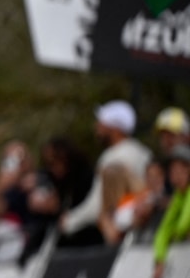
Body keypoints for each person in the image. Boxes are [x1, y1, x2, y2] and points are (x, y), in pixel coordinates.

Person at [60, 100, 152, 245]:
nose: (96, 127)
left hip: (120, 231)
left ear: (114, 127)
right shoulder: (143, 152)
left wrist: (70, 221)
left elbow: (98, 202)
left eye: (101, 123)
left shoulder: (114, 157)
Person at [152, 145, 190, 278]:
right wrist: (160, 260)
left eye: (177, 169)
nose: (173, 174)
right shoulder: (179, 196)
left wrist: (174, 234)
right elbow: (163, 231)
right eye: (170, 170)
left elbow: (183, 225)